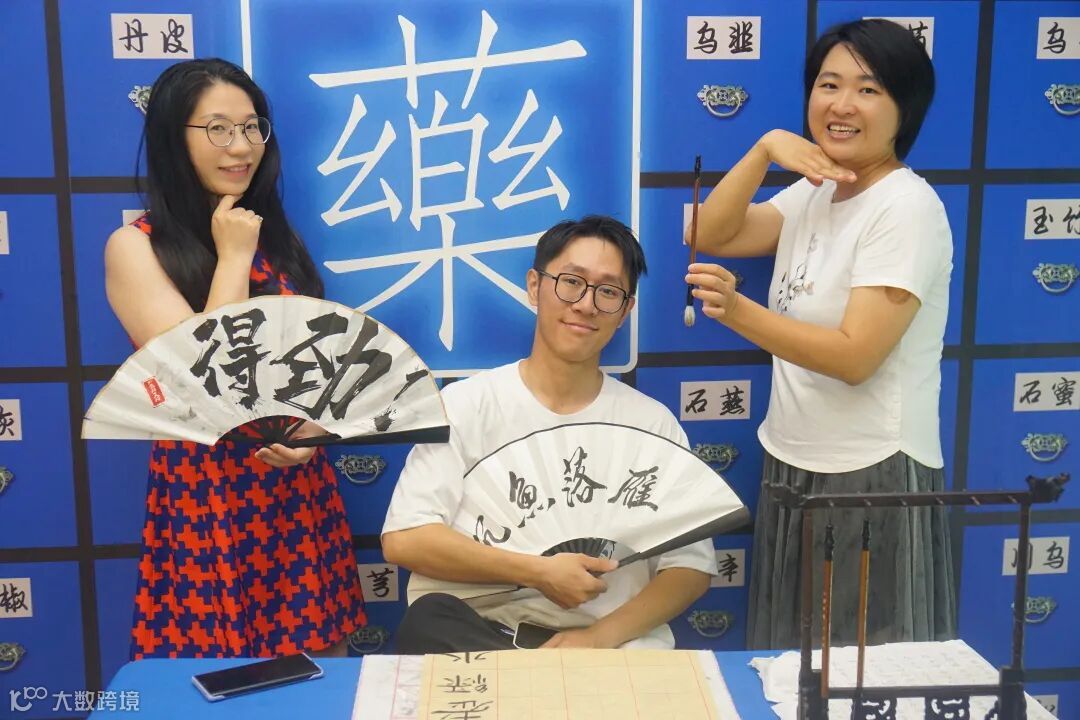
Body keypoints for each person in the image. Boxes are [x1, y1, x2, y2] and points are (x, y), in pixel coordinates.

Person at [685, 19, 956, 649]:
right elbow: (709, 233)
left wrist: (737, 310)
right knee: (791, 663)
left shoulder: (906, 208)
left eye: (868, 89)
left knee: (863, 671)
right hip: (792, 460)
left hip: (871, 470)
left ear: (905, 108)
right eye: (828, 85)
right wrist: (763, 150)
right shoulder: (816, 193)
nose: (842, 104)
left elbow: (857, 357)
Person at [104, 58, 365, 658]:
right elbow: (207, 381)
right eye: (217, 129)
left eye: (251, 127)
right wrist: (234, 258)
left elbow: (321, 370)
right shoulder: (136, 248)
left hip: (295, 489)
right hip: (207, 497)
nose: (241, 146)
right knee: (217, 678)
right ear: (174, 138)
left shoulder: (274, 238)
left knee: (319, 673)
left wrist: (314, 434)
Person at [382, 216, 715, 652]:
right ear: (535, 286)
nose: (586, 304)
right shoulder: (465, 405)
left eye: (608, 291)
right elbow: (406, 538)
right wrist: (536, 571)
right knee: (428, 623)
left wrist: (597, 639)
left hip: (610, 650)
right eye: (571, 282)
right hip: (484, 640)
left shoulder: (652, 424)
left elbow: (690, 567)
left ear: (626, 310)